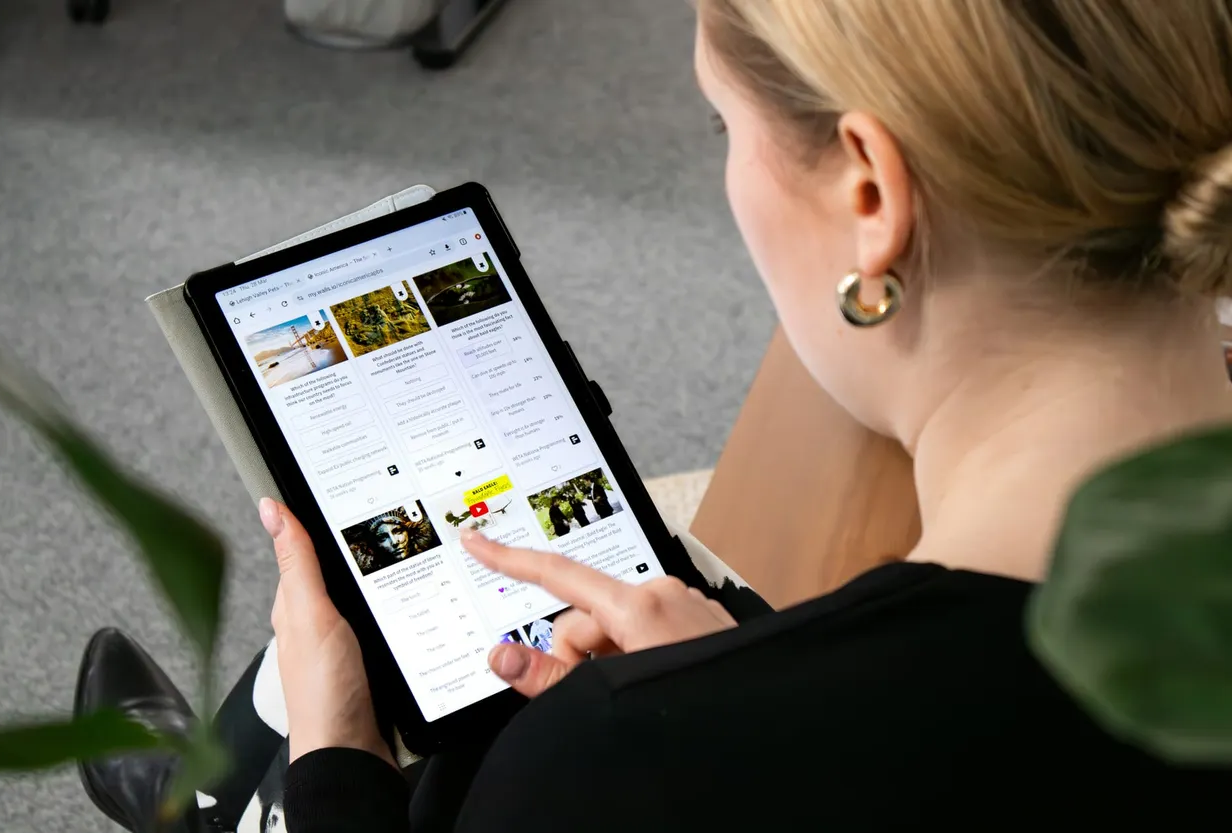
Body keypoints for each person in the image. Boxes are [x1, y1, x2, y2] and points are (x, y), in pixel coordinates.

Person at [79, 1, 1232, 830]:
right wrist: (740, 667)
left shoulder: (621, 761)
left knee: (332, 695)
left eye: (717, 128)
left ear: (868, 193)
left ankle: (232, 788)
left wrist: (338, 759)